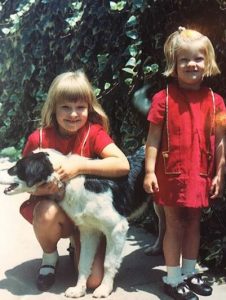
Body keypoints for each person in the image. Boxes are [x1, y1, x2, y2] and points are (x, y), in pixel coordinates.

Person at [20, 70, 130, 291]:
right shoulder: (39, 138)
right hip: (60, 213)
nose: (73, 114)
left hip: (88, 216)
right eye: (65, 107)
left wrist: (79, 165)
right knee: (45, 212)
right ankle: (49, 259)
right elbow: (24, 179)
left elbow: (122, 165)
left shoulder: (94, 133)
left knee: (93, 281)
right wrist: (42, 191)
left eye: (80, 107)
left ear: (89, 108)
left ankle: (76, 245)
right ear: (54, 108)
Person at [143, 27, 225, 300]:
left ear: (208, 62)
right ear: (173, 65)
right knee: (174, 222)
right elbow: (153, 139)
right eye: (184, 60)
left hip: (200, 173)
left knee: (193, 222)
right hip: (170, 174)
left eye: (198, 59)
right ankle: (172, 276)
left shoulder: (217, 103)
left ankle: (189, 271)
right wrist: (149, 171)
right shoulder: (162, 99)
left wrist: (219, 174)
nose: (192, 64)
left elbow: (220, 141)